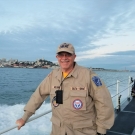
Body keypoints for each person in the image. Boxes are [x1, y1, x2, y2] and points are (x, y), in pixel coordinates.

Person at [16, 43, 115, 135]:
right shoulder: (52, 76)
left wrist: (101, 130)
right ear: (57, 57)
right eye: (61, 55)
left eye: (68, 54)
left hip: (83, 131)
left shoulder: (88, 75)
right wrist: (25, 117)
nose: (64, 58)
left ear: (74, 57)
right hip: (58, 130)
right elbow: (38, 96)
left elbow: (104, 102)